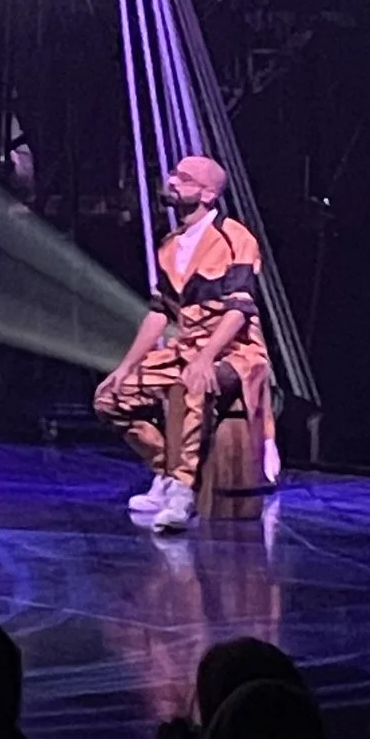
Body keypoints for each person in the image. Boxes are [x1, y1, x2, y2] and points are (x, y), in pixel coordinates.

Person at [93, 152, 275, 532]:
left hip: (234, 352)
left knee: (191, 384)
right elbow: (160, 312)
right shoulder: (170, 245)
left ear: (207, 194)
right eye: (173, 174)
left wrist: (207, 358)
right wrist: (126, 366)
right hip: (187, 349)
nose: (172, 181)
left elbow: (239, 308)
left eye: (184, 178)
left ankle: (182, 491)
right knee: (111, 397)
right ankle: (166, 471)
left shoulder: (235, 239)